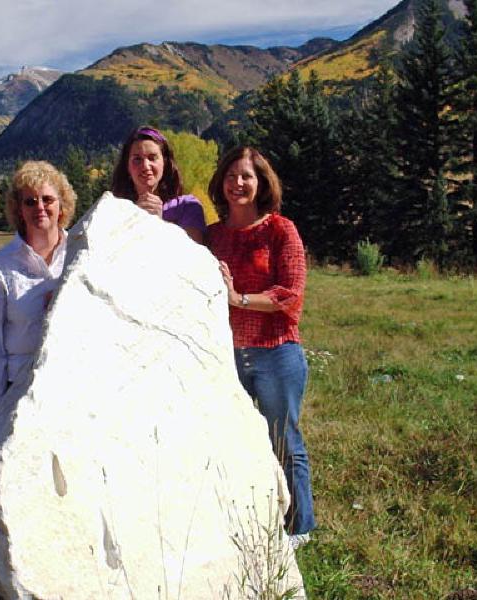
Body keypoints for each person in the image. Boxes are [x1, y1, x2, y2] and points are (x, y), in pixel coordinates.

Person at [205, 146, 315, 549]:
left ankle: (299, 526)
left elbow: (290, 294)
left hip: (275, 351)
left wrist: (239, 299)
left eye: (246, 176)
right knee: (231, 438)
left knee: (284, 441)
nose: (238, 183)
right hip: (226, 355)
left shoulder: (280, 230)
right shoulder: (213, 235)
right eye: (231, 176)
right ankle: (245, 517)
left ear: (262, 182)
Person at [0, 161, 76, 407]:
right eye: (30, 201)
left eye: (48, 199)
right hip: (21, 388)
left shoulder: (81, 254)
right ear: (19, 210)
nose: (39, 207)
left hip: (75, 380)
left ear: (62, 205)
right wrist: (3, 403)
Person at [112, 126, 206, 243]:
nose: (145, 166)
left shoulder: (187, 207)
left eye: (152, 158)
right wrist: (134, 219)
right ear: (127, 166)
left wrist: (158, 223)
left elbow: (193, 257)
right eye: (137, 159)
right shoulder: (115, 213)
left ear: (165, 163)